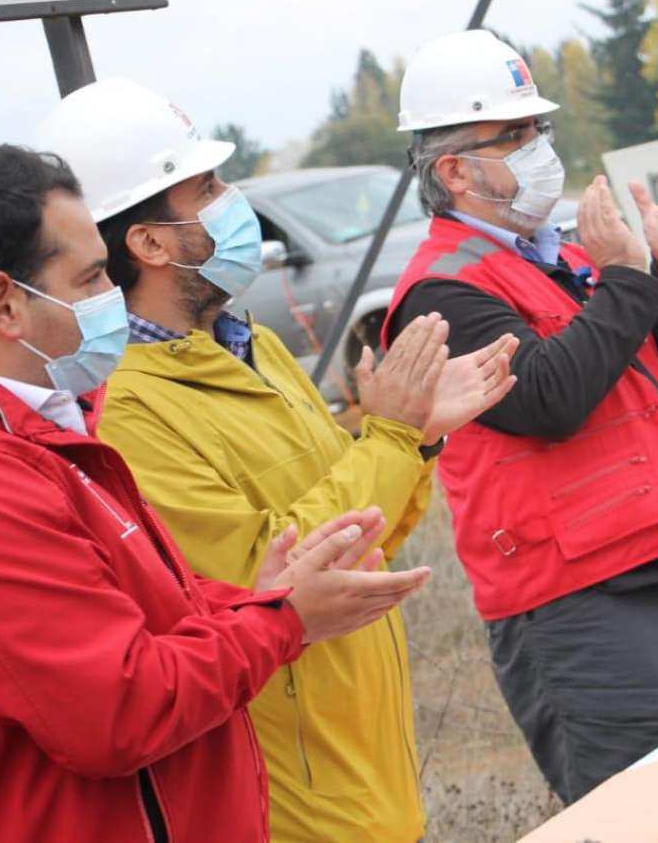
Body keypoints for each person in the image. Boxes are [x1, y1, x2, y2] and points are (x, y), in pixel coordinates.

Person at [0, 141, 433, 843]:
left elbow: (149, 608)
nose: (109, 299)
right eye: (92, 279)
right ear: (4, 303)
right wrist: (280, 619)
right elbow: (115, 708)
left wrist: (258, 597)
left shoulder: (43, 431)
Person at [35, 77, 519, 842]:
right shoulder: (132, 411)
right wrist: (390, 438)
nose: (236, 200)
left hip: (370, 776)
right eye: (208, 187)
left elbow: (368, 536)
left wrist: (414, 438)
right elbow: (271, 580)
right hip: (297, 807)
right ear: (150, 242)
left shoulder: (248, 345)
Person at [381, 29, 658, 804]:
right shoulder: (441, 292)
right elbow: (548, 402)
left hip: (657, 565)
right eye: (513, 134)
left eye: (538, 127)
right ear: (454, 170)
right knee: (644, 818)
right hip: (576, 602)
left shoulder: (556, 254)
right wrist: (624, 280)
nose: (539, 146)